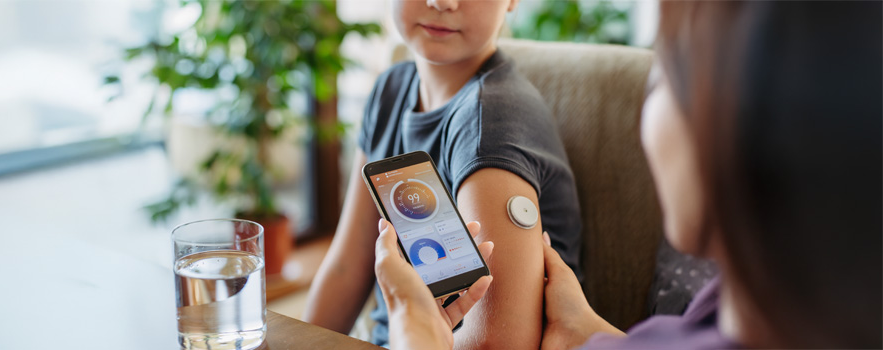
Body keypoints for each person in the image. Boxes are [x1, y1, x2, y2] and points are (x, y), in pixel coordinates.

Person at [373, 1, 882, 349]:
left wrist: (417, 332)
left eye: (667, 76)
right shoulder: (727, 305)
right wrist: (589, 333)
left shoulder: (494, 118)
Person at [303, 0, 583, 348]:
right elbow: (347, 266)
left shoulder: (492, 124)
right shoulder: (391, 88)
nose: (442, 2)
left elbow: (496, 342)